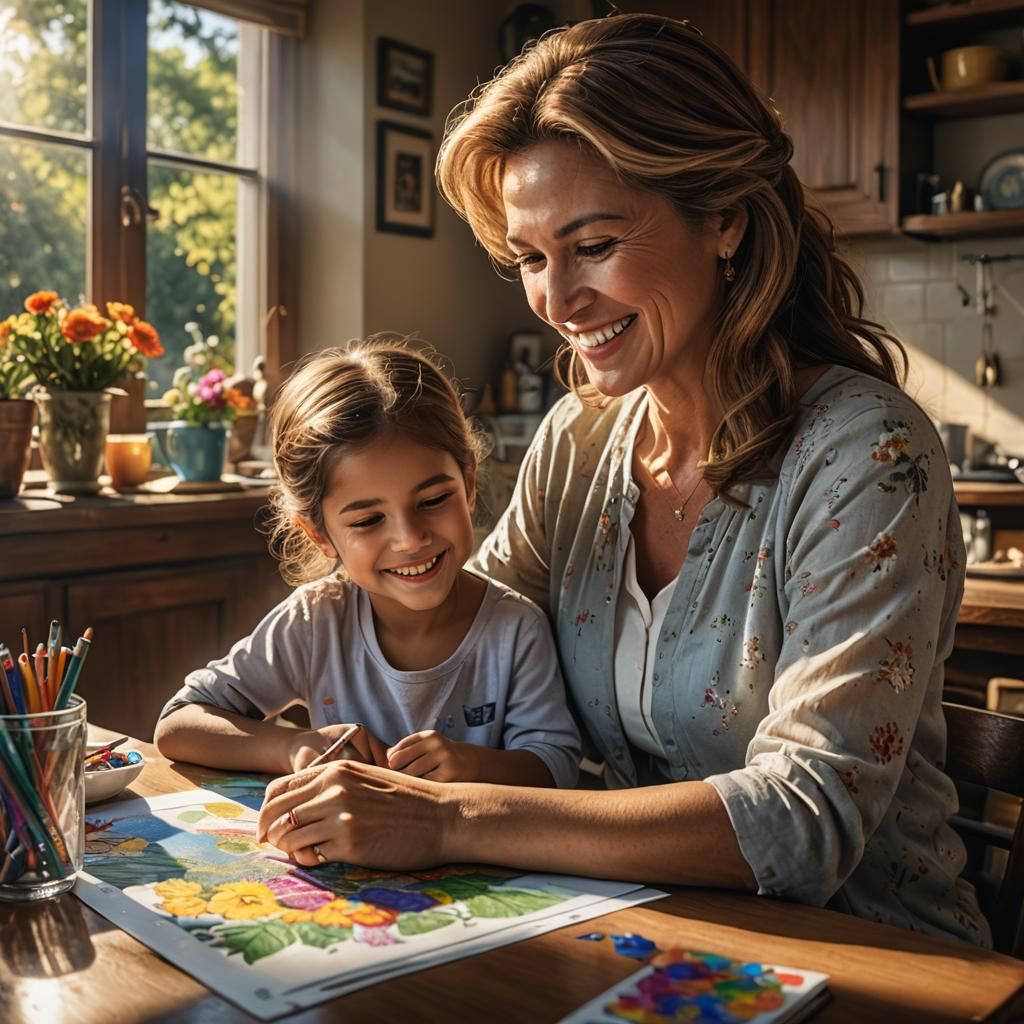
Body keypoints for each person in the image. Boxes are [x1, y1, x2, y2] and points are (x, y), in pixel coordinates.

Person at [255, 14, 990, 946]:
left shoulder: (868, 456)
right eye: (530, 258)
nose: (557, 302)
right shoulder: (579, 440)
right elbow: (466, 639)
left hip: (876, 960)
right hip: (631, 935)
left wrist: (445, 820)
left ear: (724, 216)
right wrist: (323, 730)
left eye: (593, 245)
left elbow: (805, 818)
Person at [154, 341, 582, 822]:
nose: (410, 539)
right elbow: (179, 723)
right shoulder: (316, 620)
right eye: (366, 521)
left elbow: (558, 768)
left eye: (433, 500)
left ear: (469, 482)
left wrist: (472, 765)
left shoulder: (515, 628)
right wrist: (294, 747)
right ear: (318, 534)